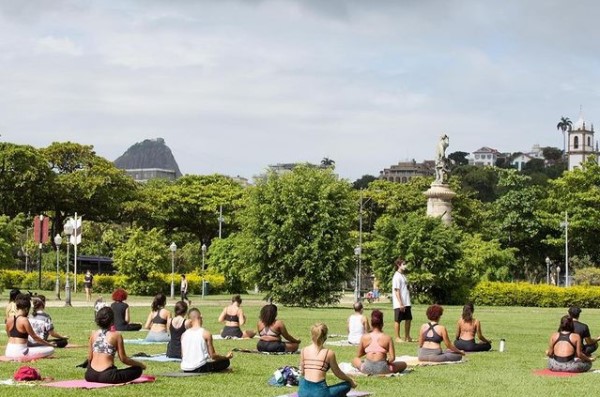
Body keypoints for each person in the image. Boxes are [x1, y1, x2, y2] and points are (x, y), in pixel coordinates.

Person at [85, 306, 146, 383]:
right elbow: (124, 359)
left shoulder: (93, 334)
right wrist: (140, 364)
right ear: (112, 321)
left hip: (90, 375)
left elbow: (90, 358)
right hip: (107, 376)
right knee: (137, 370)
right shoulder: (116, 335)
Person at [298, 323, 357, 397]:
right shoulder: (329, 353)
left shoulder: (304, 350)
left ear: (312, 335)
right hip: (320, 393)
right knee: (347, 385)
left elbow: (303, 373)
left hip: (303, 392)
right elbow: (338, 373)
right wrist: (350, 380)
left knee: (303, 380)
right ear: (325, 336)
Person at [352, 310, 407, 375]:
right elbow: (392, 358)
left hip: (366, 369)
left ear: (371, 323)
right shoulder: (387, 338)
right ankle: (388, 368)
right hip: (382, 369)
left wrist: (369, 351)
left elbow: (358, 355)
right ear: (382, 324)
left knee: (355, 360)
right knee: (404, 364)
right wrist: (386, 362)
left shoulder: (364, 337)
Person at [180, 308, 233, 373]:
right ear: (201, 316)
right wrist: (225, 357)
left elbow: (183, 355)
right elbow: (213, 356)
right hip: (200, 367)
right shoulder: (206, 333)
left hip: (185, 368)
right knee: (225, 362)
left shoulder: (183, 335)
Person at [5, 294, 55, 359]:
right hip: (20, 353)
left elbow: (9, 334)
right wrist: (49, 344)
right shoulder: (24, 320)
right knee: (51, 349)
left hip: (8, 351)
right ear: (26, 309)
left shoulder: (9, 319)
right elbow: (35, 337)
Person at [392, 258, 412, 342]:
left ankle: (407, 336)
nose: (405, 266)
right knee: (398, 320)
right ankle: (397, 337)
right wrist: (400, 303)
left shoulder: (403, 275)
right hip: (399, 303)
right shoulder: (396, 276)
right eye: (403, 264)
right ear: (398, 265)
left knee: (408, 318)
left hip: (406, 301)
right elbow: (397, 290)